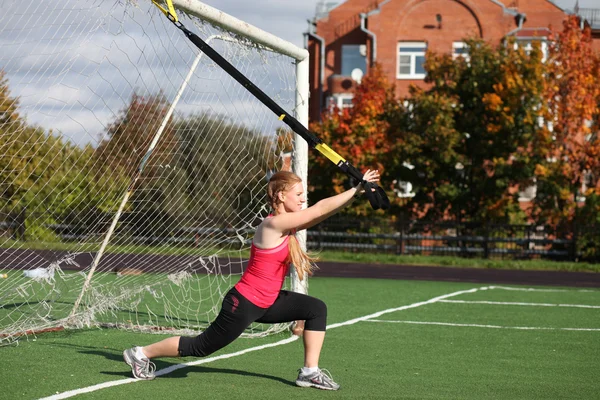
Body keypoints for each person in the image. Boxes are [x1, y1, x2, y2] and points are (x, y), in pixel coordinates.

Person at [123, 169, 381, 390]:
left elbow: (320, 213)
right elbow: (317, 211)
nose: (303, 199)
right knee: (200, 346)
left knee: (316, 309)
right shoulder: (271, 226)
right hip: (244, 303)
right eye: (299, 195)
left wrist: (354, 194)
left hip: (267, 302)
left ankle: (310, 372)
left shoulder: (287, 224)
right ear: (281, 195)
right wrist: (355, 188)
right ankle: (140, 353)